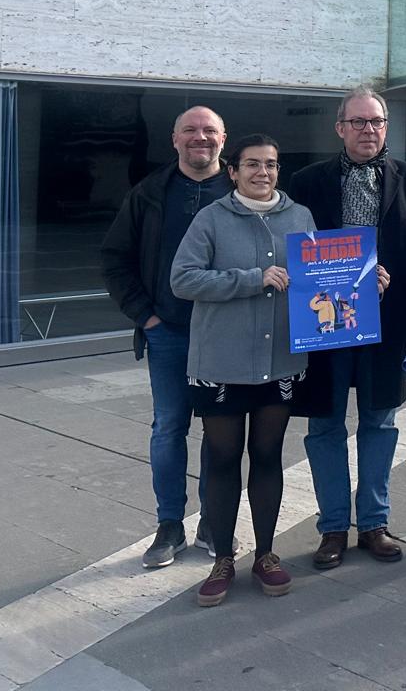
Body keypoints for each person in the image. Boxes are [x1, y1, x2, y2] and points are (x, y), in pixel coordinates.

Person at [290, 87, 406, 570]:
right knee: (326, 424)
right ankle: (333, 527)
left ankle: (374, 522)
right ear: (340, 128)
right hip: (325, 324)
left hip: (389, 325)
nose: (367, 130)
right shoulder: (306, 182)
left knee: (380, 421)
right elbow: (296, 250)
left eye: (375, 122)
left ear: (386, 127)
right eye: (357, 122)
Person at [171, 135, 316, 607]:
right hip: (222, 363)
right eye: (252, 165)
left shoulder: (300, 217)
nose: (263, 173)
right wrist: (252, 280)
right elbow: (184, 278)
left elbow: (320, 279)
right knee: (223, 459)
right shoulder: (210, 218)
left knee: (269, 456)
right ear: (232, 171)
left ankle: (268, 555)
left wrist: (361, 282)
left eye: (271, 165)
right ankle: (222, 558)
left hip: (281, 362)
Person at [102, 106, 230, 569]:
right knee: (169, 428)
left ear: (223, 139)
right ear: (174, 139)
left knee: (221, 431)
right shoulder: (150, 194)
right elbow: (115, 258)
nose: (201, 138)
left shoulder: (244, 190)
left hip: (227, 336)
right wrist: (146, 317)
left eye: (209, 131)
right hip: (170, 333)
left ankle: (214, 521)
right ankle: (170, 525)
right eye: (191, 131)